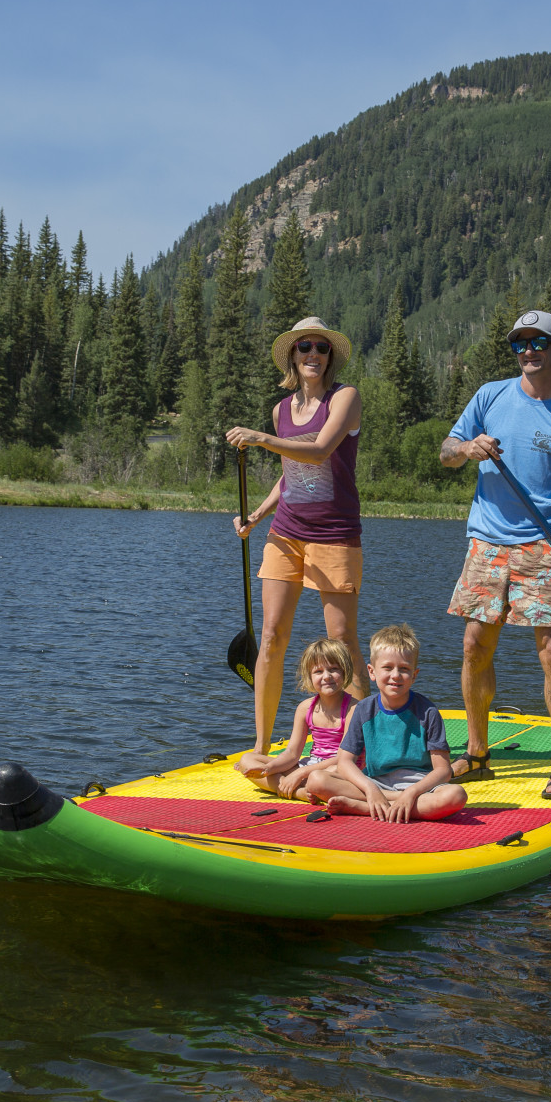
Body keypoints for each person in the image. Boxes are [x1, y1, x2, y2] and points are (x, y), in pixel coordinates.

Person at [439, 307, 551, 801]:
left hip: (548, 543)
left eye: (539, 342)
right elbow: (446, 451)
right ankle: (477, 753)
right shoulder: (489, 396)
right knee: (475, 644)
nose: (529, 351)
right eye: (520, 343)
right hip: (487, 541)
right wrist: (468, 448)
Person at [228, 317, 366, 776]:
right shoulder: (281, 409)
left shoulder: (344, 398)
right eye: (305, 346)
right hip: (285, 532)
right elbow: (291, 472)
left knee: (342, 643)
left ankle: (367, 746)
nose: (313, 354)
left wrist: (261, 439)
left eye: (321, 349)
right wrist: (257, 515)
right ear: (293, 355)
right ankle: (262, 745)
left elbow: (321, 450)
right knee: (271, 637)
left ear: (330, 358)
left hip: (335, 533)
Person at [307, 625, 467, 823]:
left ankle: (366, 808)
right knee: (316, 780)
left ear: (415, 675)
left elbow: (443, 770)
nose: (396, 675)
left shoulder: (428, 712)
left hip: (419, 786)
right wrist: (370, 789)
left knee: (456, 796)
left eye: (404, 669)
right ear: (372, 672)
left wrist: (411, 793)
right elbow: (345, 761)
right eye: (388, 667)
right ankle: (384, 803)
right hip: (377, 782)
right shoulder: (364, 710)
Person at [243, 638, 357, 801]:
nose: (326, 676)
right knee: (248, 760)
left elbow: (343, 758)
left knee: (324, 776)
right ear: (309, 676)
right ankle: (297, 791)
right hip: (310, 765)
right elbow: (292, 753)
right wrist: (269, 768)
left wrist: (300, 773)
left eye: (333, 669)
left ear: (345, 671)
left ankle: (300, 786)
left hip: (337, 769)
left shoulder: (354, 709)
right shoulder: (305, 708)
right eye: (318, 672)